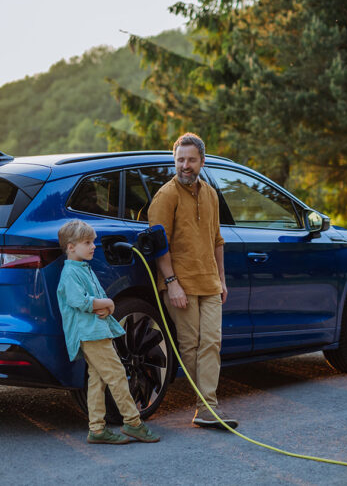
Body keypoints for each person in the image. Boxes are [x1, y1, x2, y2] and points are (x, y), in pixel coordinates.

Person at [147, 133, 239, 429]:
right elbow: (159, 245)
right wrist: (171, 282)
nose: (185, 165)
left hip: (210, 282)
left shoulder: (210, 194)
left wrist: (222, 279)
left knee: (212, 342)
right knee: (190, 345)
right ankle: (207, 407)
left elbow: (217, 239)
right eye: (180, 160)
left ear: (202, 161)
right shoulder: (166, 195)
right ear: (174, 161)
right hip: (180, 284)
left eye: (191, 160)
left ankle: (207, 407)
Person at [56, 219, 161, 444]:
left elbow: (93, 300)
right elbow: (79, 301)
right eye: (87, 242)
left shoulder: (83, 268)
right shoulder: (70, 273)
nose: (93, 246)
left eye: (92, 242)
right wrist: (107, 303)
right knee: (117, 375)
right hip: (90, 333)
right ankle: (133, 423)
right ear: (71, 247)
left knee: (98, 380)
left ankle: (97, 429)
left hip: (96, 330)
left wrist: (104, 307)